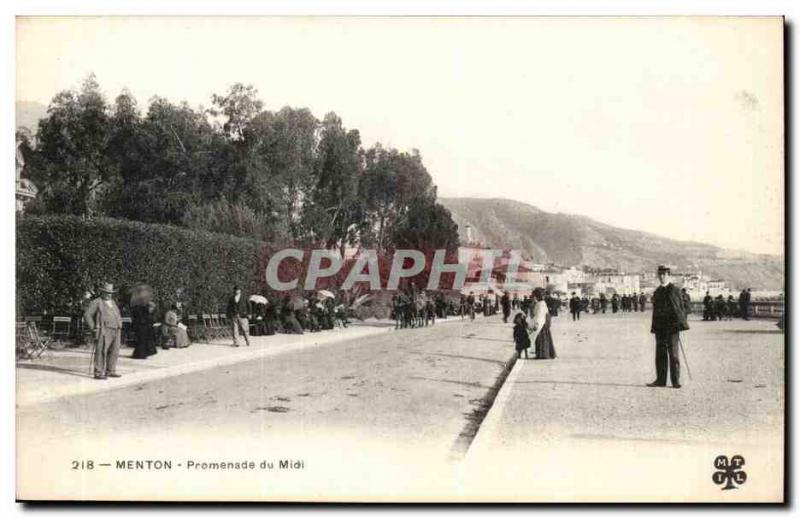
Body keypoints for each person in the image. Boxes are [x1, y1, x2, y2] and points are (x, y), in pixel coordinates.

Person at [647, 265, 689, 389]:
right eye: (660, 275)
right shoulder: (658, 291)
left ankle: (675, 380)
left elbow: (683, 307)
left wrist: (680, 322)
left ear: (668, 276)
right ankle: (660, 380)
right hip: (660, 327)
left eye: (664, 275)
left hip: (672, 327)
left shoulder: (675, 290)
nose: (661, 277)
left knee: (673, 354)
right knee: (660, 354)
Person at [83, 282, 123, 380]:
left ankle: (110, 370)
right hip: (104, 330)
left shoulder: (113, 302)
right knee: (101, 350)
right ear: (102, 292)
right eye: (106, 292)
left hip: (116, 329)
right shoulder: (97, 302)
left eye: (110, 292)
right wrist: (93, 327)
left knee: (114, 350)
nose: (108, 294)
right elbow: (87, 315)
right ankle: (98, 372)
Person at [531, 288, 556, 359]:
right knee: (543, 339)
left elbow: (539, 315)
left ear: (537, 296)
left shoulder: (540, 304)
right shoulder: (542, 303)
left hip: (540, 323)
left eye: (534, 296)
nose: (533, 297)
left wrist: (535, 325)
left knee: (541, 339)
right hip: (542, 323)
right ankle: (542, 354)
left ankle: (542, 355)